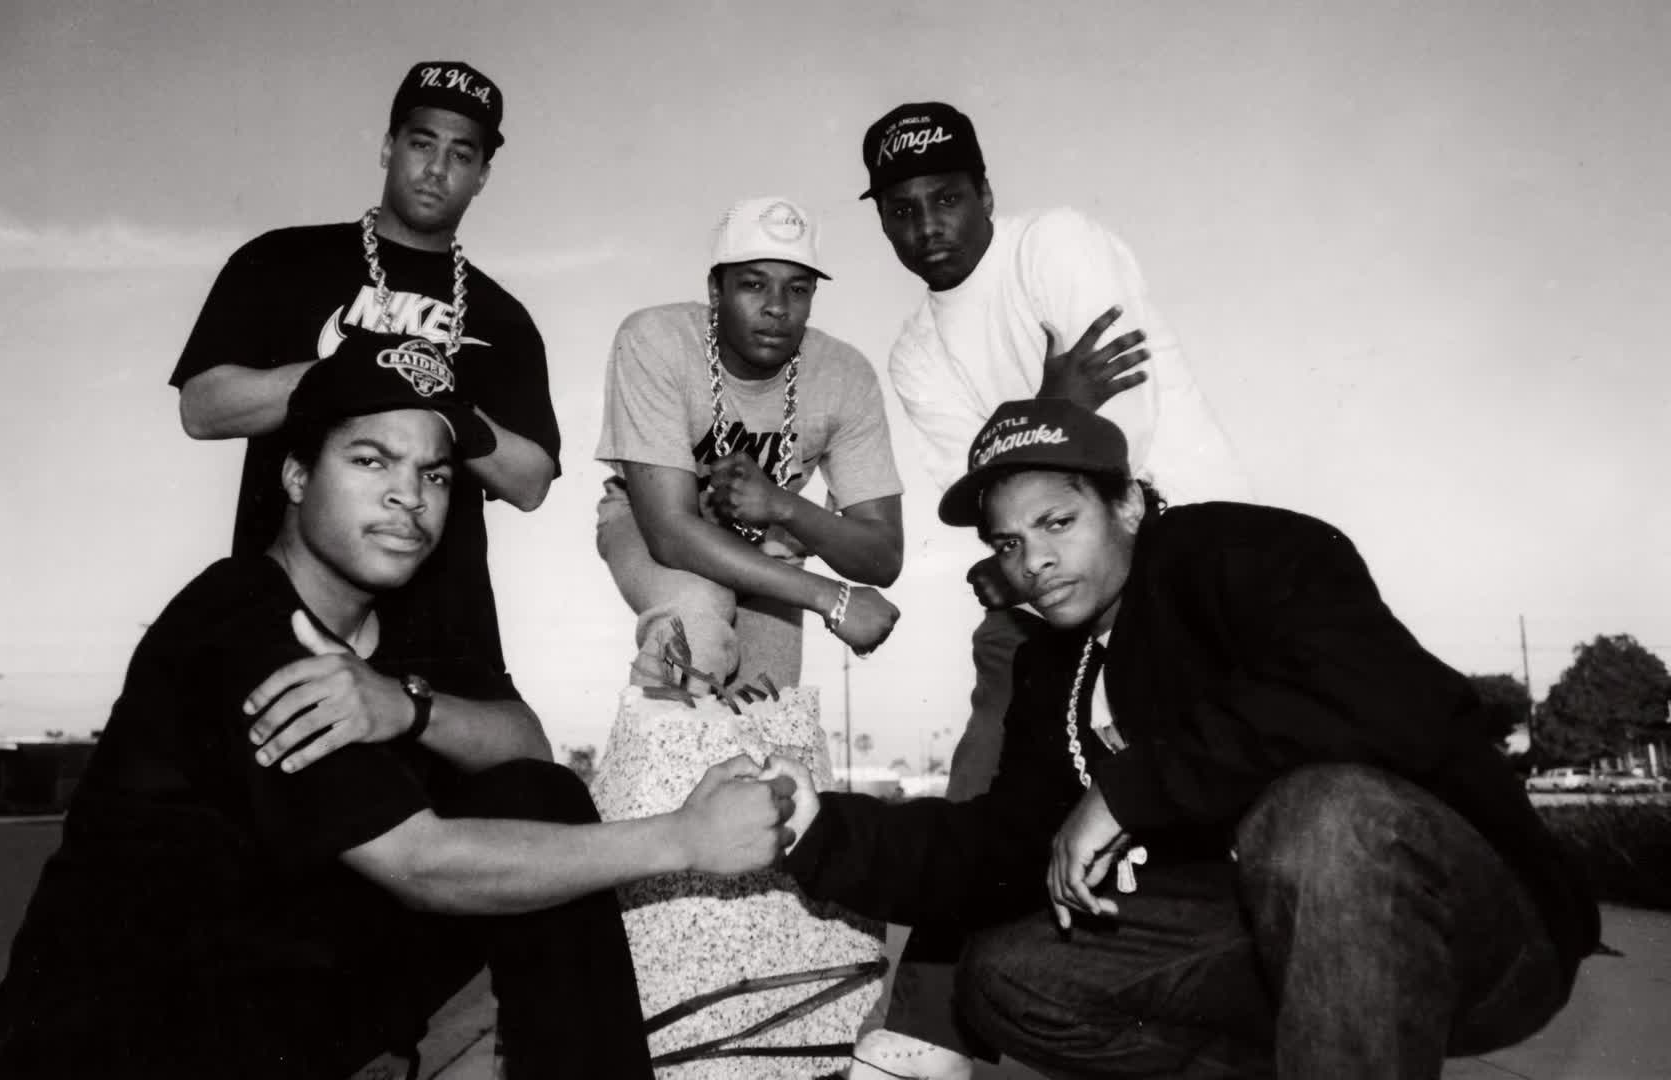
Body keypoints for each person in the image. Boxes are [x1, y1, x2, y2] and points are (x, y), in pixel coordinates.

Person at [0, 334, 799, 1079]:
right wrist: (684, 837)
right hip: (109, 1046)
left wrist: (405, 706)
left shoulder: (401, 624)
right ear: (297, 476)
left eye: (433, 474)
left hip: (264, 1017)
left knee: (538, 798)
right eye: (371, 462)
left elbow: (527, 749)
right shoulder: (239, 621)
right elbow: (419, 864)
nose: (409, 497)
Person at [767, 398, 1599, 1079]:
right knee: (1013, 974)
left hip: (1483, 928)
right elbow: (1005, 842)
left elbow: (1385, 697)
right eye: (1010, 543)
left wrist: (1132, 787)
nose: (1035, 563)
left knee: (1323, 811)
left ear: (1127, 503)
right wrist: (824, 827)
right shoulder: (1053, 665)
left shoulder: (1241, 551)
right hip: (1291, 949)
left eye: (1058, 522)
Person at [853, 100, 1252, 1073]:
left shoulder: (1054, 246)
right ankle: (922, 1041)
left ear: (987, 192)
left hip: (1188, 554)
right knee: (987, 789)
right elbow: (1008, 505)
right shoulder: (915, 350)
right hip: (1058, 587)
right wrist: (1058, 403)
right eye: (901, 209)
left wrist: (1044, 428)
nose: (928, 227)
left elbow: (1120, 460)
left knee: (1240, 807)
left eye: (947, 199)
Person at [170, 59, 556, 697]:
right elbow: (203, 407)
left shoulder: (503, 318)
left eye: (462, 154)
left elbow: (532, 481)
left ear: (483, 175)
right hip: (291, 608)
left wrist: (447, 401)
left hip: (444, 629)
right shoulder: (280, 260)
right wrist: (349, 373)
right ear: (388, 146)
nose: (436, 169)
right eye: (421, 143)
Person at [594, 196, 905, 692]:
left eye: (797, 289)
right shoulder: (656, 337)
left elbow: (882, 556)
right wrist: (833, 598)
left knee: (763, 723)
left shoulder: (845, 374)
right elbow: (670, 532)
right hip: (651, 517)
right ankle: (655, 768)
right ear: (716, 289)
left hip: (768, 538)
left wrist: (783, 506)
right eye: (754, 283)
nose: (777, 308)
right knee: (695, 621)